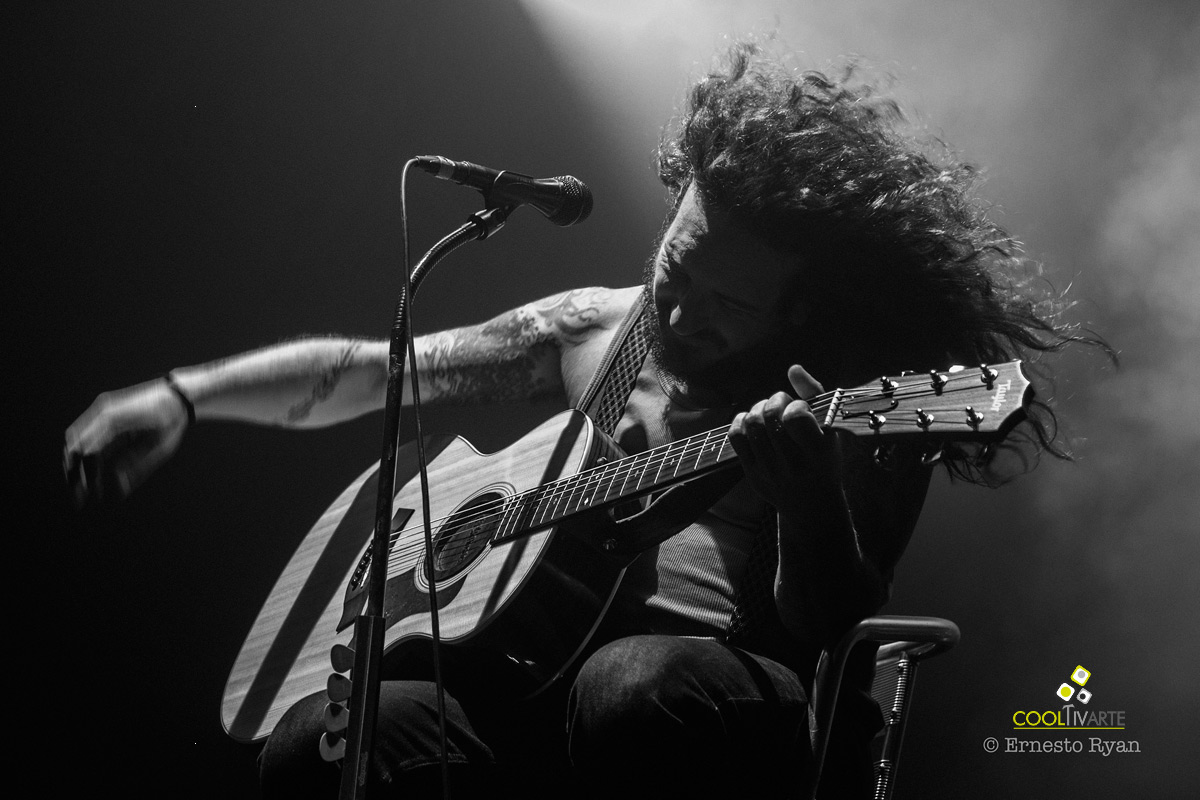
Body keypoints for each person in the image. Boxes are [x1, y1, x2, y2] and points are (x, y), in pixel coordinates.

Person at [63, 44, 1097, 798]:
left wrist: (811, 505)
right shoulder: (597, 333)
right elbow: (372, 376)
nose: (683, 312)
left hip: (700, 705)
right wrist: (184, 394)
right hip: (515, 683)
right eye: (677, 267)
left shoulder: (855, 397)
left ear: (802, 306)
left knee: (632, 684)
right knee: (329, 738)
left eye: (729, 303)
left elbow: (837, 622)